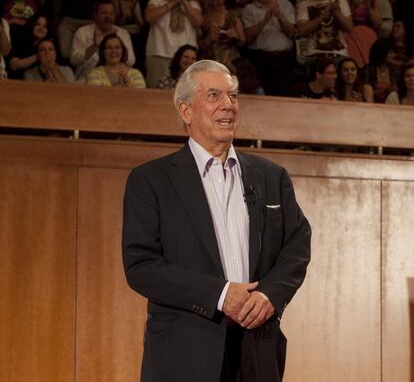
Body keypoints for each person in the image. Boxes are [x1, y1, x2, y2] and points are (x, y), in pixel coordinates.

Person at [122, 59, 311, 382]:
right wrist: (220, 295)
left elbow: (297, 244)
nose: (229, 106)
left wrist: (269, 295)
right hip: (184, 355)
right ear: (186, 112)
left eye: (233, 96)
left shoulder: (271, 177)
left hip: (257, 351)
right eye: (214, 96)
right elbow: (141, 267)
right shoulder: (150, 181)